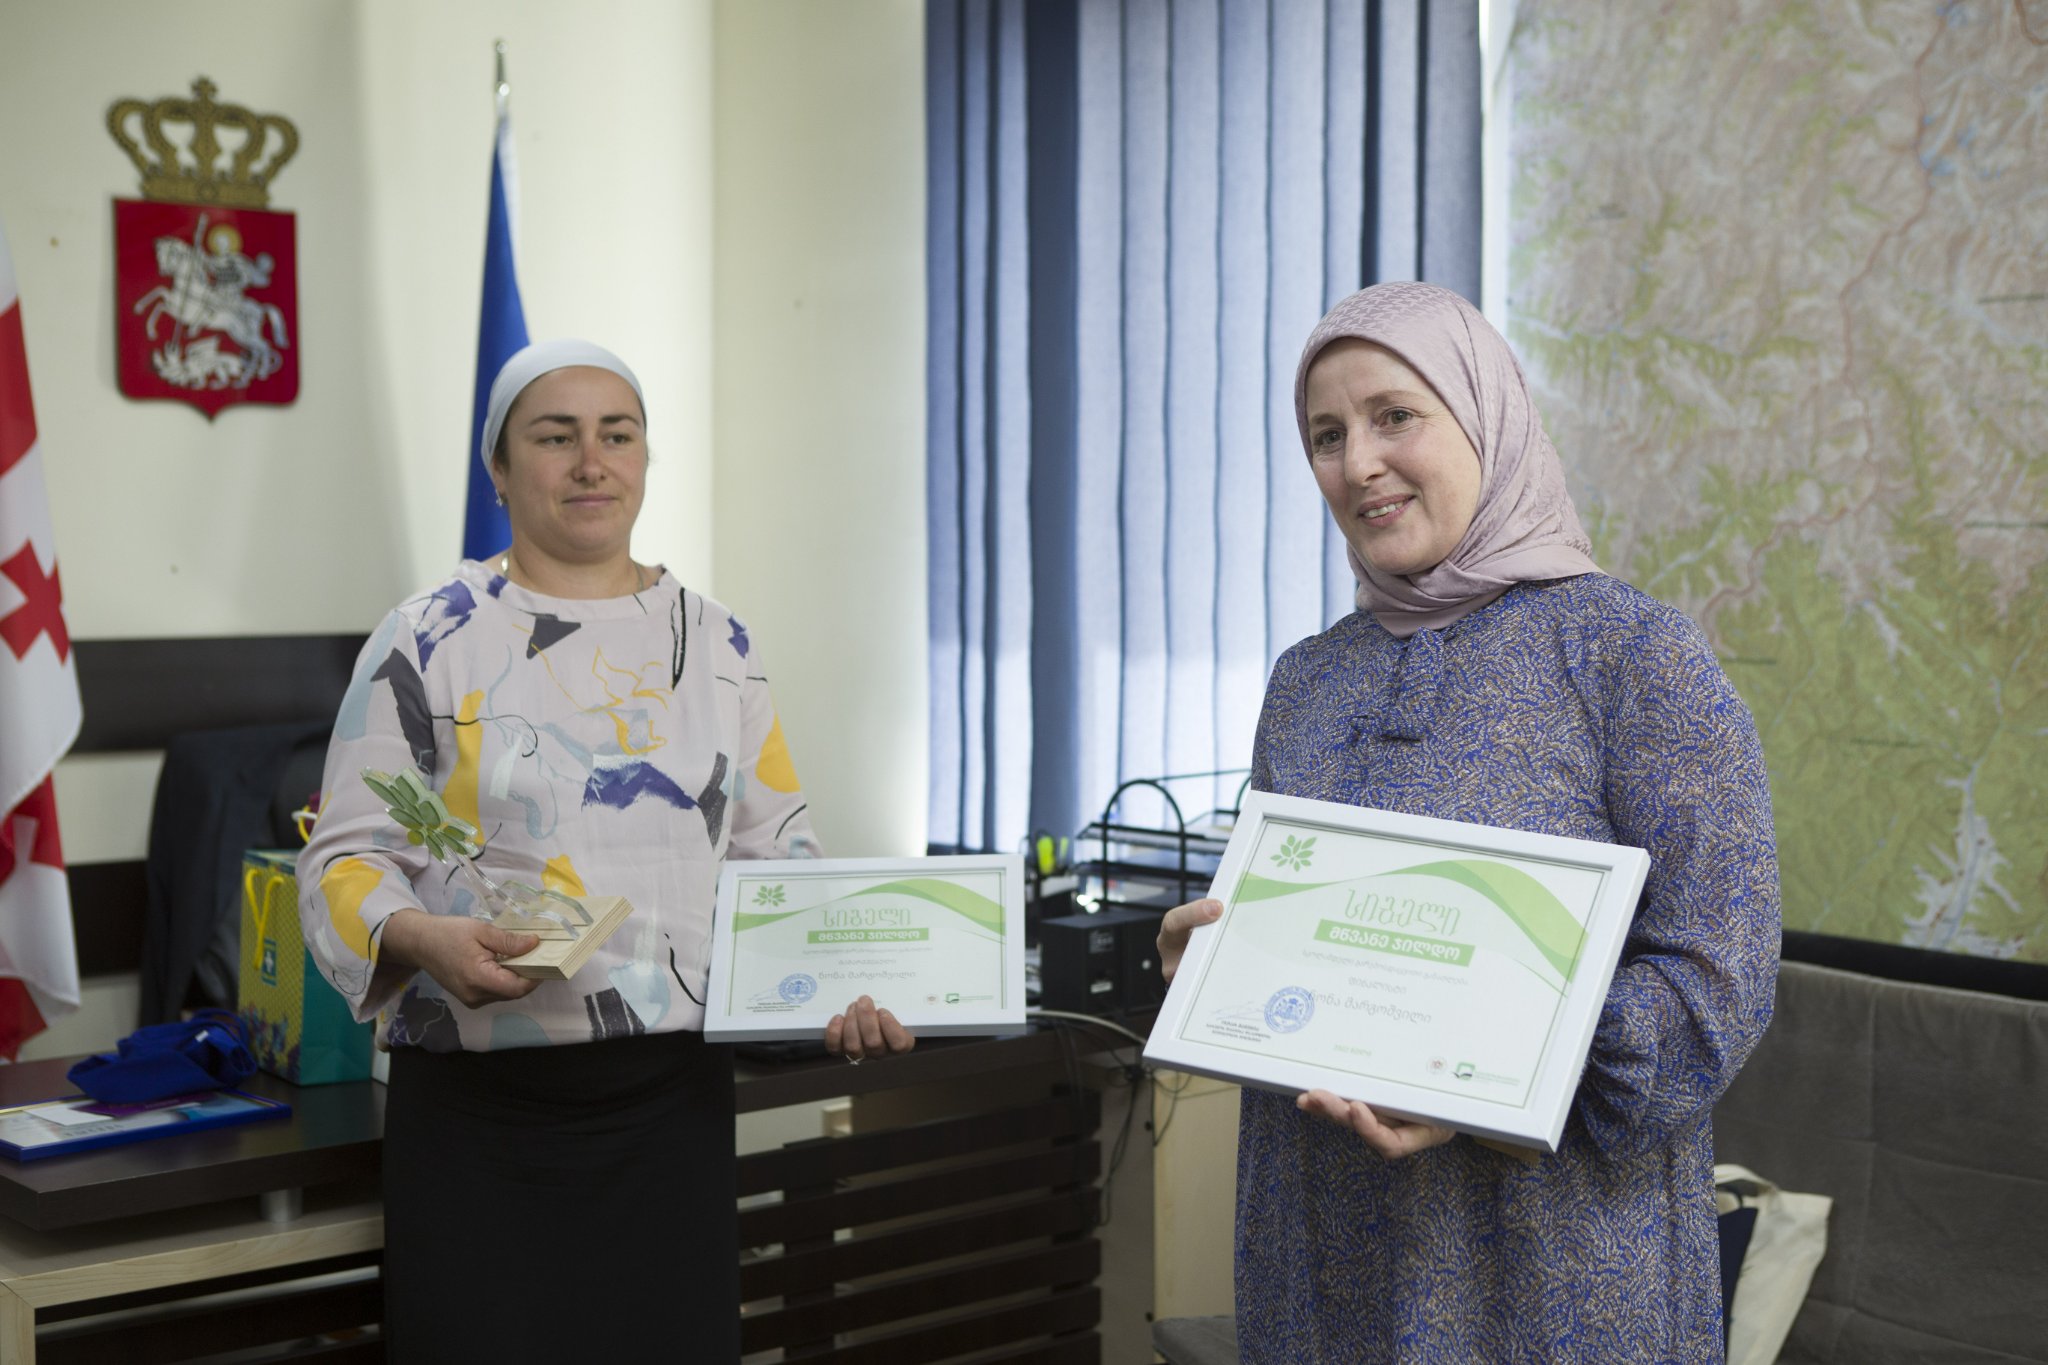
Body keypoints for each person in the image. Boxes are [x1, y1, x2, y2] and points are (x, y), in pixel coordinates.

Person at [1156, 283, 1780, 1362]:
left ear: (1487, 417)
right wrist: (1209, 965)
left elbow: (1718, 978)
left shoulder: (1631, 655)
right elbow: (1295, 940)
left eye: (1394, 416)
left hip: (1554, 1267)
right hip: (1321, 1253)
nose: (1358, 463)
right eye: (1325, 435)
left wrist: (1493, 1070)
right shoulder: (1306, 681)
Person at [298, 339, 912, 1362]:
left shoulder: (717, 644)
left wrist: (843, 980)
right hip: (479, 1123)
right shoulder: (427, 638)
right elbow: (343, 862)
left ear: (643, 458)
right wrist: (420, 936)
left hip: (670, 1115)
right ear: (499, 469)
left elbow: (776, 852)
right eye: (556, 437)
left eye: (616, 435)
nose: (592, 462)